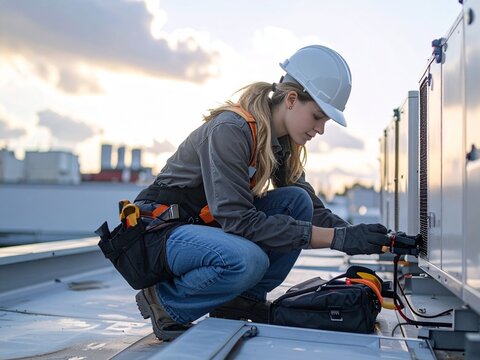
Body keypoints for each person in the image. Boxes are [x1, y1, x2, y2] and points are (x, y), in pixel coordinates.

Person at [133, 45, 390, 341]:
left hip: (197, 232)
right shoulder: (230, 130)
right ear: (292, 99)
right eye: (317, 117)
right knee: (248, 259)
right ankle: (165, 303)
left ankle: (240, 302)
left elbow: (313, 212)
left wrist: (362, 236)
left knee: (297, 202)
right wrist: (336, 239)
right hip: (159, 234)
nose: (320, 129)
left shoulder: (279, 143)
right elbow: (238, 220)